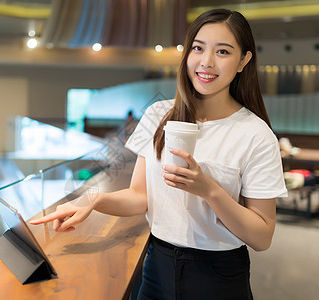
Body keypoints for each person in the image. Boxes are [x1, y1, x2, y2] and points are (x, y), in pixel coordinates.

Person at [31, 8, 287, 300]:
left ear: (243, 61)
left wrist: (209, 190)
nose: (206, 62)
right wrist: (93, 199)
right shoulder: (157, 115)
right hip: (156, 265)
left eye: (223, 52)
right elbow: (140, 196)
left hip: (218, 275)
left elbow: (262, 236)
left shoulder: (255, 134)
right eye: (198, 48)